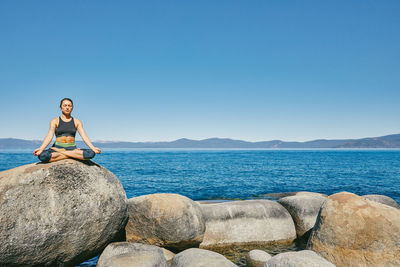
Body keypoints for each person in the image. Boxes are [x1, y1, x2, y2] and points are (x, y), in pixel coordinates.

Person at [33, 98, 101, 162]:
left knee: (91, 153)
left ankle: (64, 154)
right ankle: (72, 156)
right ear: (61, 107)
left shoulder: (77, 122)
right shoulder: (54, 121)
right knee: (42, 156)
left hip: (72, 148)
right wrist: (41, 149)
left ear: (72, 108)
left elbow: (84, 136)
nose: (67, 107)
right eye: (65, 105)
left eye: (69, 105)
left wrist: (93, 148)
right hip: (58, 147)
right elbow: (49, 136)